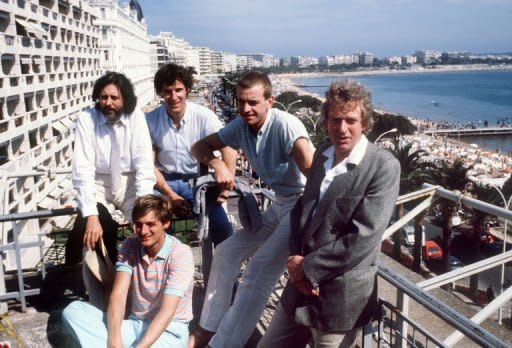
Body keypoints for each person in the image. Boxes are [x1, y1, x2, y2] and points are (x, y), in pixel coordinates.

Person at [258, 80, 400, 348]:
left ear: (365, 123)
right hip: (298, 291)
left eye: (350, 120)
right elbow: (301, 211)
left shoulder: (382, 167)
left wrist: (307, 269)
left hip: (339, 298)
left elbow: (362, 238)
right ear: (326, 122)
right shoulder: (323, 154)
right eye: (335, 120)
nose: (342, 129)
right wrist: (295, 264)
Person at [189, 71, 314, 348]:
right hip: (278, 202)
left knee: (258, 272)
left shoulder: (286, 127)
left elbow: (316, 175)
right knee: (226, 252)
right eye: (241, 102)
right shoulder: (240, 126)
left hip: (301, 205)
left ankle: (222, 344)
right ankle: (207, 328)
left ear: (271, 101)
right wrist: (218, 163)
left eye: (253, 102)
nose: (246, 109)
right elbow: (199, 146)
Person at [66, 71, 155, 308]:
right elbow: (82, 169)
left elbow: (144, 165)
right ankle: (102, 295)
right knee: (91, 230)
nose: (108, 103)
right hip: (98, 182)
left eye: (114, 97)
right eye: (103, 97)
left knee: (147, 230)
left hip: (129, 182)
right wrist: (91, 216)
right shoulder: (87, 119)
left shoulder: (136, 117)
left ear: (124, 99)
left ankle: (146, 289)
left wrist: (143, 206)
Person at [62, 194, 195, 348]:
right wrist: (115, 340)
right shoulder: (130, 245)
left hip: (168, 332)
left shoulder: (180, 253)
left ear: (165, 224)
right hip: (135, 325)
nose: (143, 231)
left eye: (150, 224)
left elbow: (167, 311)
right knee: (73, 311)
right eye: (139, 224)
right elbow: (118, 294)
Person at [145, 63, 236, 247]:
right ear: (160, 93)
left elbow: (228, 148)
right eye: (167, 91)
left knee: (222, 227)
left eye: (178, 90)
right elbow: (149, 164)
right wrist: (171, 196)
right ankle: (166, 268)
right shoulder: (151, 120)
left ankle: (225, 272)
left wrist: (226, 186)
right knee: (156, 226)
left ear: (187, 89)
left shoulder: (204, 116)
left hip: (197, 180)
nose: (174, 97)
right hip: (163, 182)